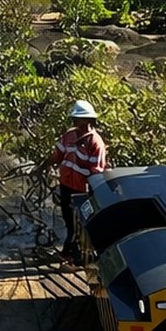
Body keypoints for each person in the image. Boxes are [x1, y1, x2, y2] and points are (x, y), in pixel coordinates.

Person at [49, 99, 107, 260]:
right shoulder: (69, 135)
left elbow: (96, 172)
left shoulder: (95, 143)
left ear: (88, 120)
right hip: (66, 185)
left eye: (77, 118)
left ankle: (73, 256)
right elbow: (57, 155)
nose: (74, 121)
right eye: (74, 118)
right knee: (69, 222)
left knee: (79, 226)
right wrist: (40, 168)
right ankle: (70, 254)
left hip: (82, 191)